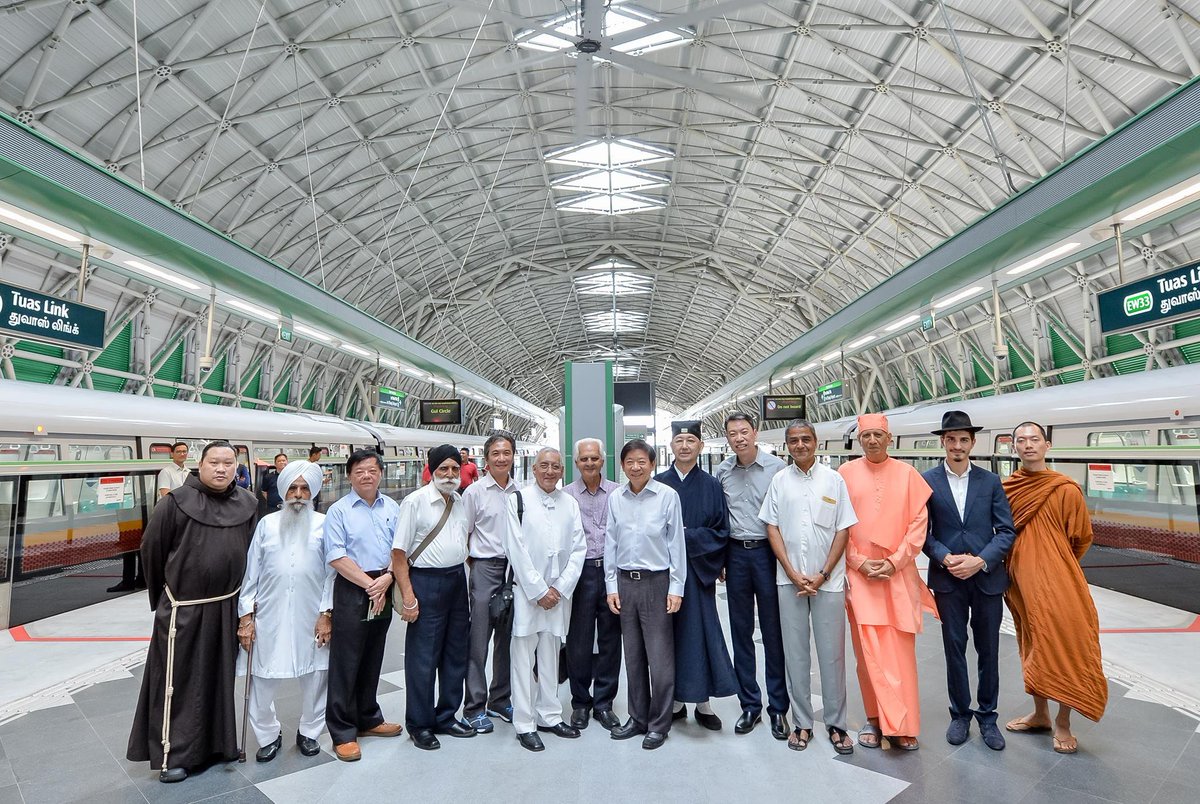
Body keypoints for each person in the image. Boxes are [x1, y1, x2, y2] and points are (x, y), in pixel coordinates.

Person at [126, 440, 258, 783]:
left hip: (226, 605)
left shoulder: (247, 503)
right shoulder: (175, 503)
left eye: (228, 463)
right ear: (200, 464)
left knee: (219, 678)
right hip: (183, 609)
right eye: (214, 462)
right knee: (179, 682)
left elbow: (252, 555)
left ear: (237, 467)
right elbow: (151, 550)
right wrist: (167, 598)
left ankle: (217, 746)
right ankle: (177, 755)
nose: (221, 469)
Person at [1002, 422, 1107, 754]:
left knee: (1068, 642)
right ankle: (1040, 714)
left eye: (1034, 439)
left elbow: (1080, 539)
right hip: (1020, 584)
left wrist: (1051, 562)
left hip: (1061, 581)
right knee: (1032, 643)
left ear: (1047, 445)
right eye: (1021, 440)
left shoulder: (1065, 489)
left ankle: (1063, 721)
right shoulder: (1008, 488)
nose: (1028, 445)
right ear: (1013, 447)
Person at [838, 413, 935, 751]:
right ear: (859, 440)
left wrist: (895, 562)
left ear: (890, 439)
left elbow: (918, 526)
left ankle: (904, 723)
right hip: (860, 578)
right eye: (867, 436)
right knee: (867, 654)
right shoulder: (844, 474)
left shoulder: (909, 475)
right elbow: (837, 526)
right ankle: (875, 719)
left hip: (898, 577)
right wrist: (859, 561)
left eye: (879, 435)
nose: (873, 441)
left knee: (900, 653)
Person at [760, 419, 857, 754]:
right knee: (796, 654)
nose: (799, 445)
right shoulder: (779, 481)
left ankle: (836, 724)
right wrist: (790, 571)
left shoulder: (834, 480)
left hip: (827, 584)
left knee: (832, 655)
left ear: (815, 442)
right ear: (786, 445)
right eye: (793, 440)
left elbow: (843, 530)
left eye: (805, 439)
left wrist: (823, 574)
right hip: (789, 582)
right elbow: (772, 527)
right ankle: (802, 722)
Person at [922, 411, 1016, 751]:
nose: (957, 446)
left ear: (973, 443)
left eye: (964, 440)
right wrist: (945, 557)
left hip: (986, 578)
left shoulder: (990, 482)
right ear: (943, 443)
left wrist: (980, 560)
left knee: (988, 650)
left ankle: (988, 716)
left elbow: (1006, 531)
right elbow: (922, 531)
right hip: (948, 579)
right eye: (951, 440)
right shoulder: (927, 480)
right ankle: (960, 714)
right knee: (954, 648)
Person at [237, 461, 334, 762]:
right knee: (261, 677)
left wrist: (326, 614)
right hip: (269, 613)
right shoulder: (267, 525)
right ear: (283, 492)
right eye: (293, 488)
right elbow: (251, 573)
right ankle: (267, 735)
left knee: (317, 676)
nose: (298, 494)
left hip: (312, 613)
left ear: (313, 492)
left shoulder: (324, 523)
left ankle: (309, 732)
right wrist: (245, 618)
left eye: (305, 488)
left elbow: (332, 574)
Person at [392, 445, 476, 750]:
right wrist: (409, 597)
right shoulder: (414, 503)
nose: (450, 475)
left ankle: (447, 716)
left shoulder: (460, 501)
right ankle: (420, 723)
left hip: (456, 580)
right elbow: (399, 555)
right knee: (423, 657)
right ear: (432, 471)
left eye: (455, 469)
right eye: (444, 469)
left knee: (456, 652)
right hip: (425, 583)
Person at [654, 421, 737, 730]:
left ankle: (703, 702)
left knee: (701, 635)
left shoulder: (712, 486)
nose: (685, 446)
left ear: (700, 446)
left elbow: (720, 532)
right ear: (671, 447)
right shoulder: (658, 483)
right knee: (668, 636)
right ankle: (674, 700)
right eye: (679, 440)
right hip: (663, 574)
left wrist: (683, 536)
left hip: (698, 573)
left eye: (691, 440)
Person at [605, 438, 686, 750]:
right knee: (633, 656)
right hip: (626, 583)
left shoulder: (668, 497)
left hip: (657, 583)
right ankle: (637, 717)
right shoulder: (616, 498)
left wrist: (676, 588)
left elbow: (676, 544)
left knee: (660, 658)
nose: (635, 467)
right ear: (623, 465)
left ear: (652, 464)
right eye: (629, 462)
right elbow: (610, 544)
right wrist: (611, 586)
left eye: (642, 461)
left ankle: (659, 723)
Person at [504, 447, 587, 752]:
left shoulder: (570, 503)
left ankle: (550, 715)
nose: (550, 471)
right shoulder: (517, 500)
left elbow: (579, 548)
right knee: (524, 658)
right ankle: (525, 723)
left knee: (551, 654)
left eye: (555, 466)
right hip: (528, 595)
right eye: (544, 466)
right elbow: (515, 549)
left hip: (558, 595)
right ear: (534, 468)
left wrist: (560, 588)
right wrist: (539, 591)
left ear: (562, 470)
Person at [323, 449, 403, 762]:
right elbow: (336, 556)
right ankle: (342, 731)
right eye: (359, 471)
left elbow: (401, 548)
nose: (366, 476)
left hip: (383, 583)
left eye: (371, 470)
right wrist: (371, 584)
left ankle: (369, 718)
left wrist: (387, 579)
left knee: (372, 655)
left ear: (381, 473)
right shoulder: (339, 511)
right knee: (346, 660)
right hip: (354, 586)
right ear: (349, 476)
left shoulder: (392, 507)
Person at [714, 412, 790, 739]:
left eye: (744, 431)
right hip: (735, 554)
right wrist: (719, 560)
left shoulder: (777, 469)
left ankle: (778, 708)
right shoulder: (722, 472)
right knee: (741, 631)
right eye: (733, 434)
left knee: (773, 631)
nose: (739, 438)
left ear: (755, 433)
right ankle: (750, 704)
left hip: (767, 553)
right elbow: (719, 517)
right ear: (728, 438)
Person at [461, 432, 521, 733]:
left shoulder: (519, 492)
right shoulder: (474, 493)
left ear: (513, 456)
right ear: (486, 459)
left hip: (513, 571)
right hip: (484, 568)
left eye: (506, 452)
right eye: (496, 453)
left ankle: (500, 699)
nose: (501, 458)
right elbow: (465, 534)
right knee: (479, 639)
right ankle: (473, 706)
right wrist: (479, 568)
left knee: (506, 638)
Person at [563, 438, 622, 731]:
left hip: (611, 571)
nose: (589, 463)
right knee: (579, 641)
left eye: (594, 458)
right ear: (576, 463)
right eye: (584, 459)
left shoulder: (618, 493)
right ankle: (580, 703)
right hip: (580, 573)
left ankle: (604, 703)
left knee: (611, 639)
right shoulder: (565, 496)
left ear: (603, 460)